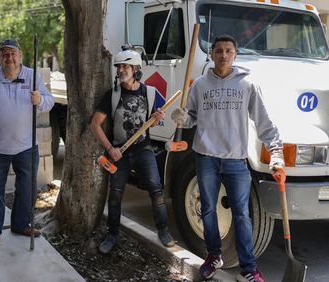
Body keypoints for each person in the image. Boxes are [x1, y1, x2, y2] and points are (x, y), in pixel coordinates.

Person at [171, 35, 284, 282]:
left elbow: (265, 122)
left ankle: (249, 269)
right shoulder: (200, 85)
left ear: (235, 55)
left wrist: (276, 152)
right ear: (211, 55)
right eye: (219, 50)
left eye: (228, 50)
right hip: (206, 157)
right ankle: (214, 256)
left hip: (235, 160)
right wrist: (181, 117)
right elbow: (191, 118)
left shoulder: (247, 85)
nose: (223, 54)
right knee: (208, 210)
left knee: (242, 215)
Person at [0, 38, 54, 248]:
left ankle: (21, 224)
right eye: (4, 53)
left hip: (26, 147)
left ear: (20, 56)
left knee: (27, 188)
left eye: (13, 53)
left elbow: (49, 101)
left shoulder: (33, 77)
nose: (9, 57)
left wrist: (40, 101)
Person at [90, 49, 175, 254]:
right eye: (119, 67)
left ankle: (163, 230)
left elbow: (157, 121)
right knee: (115, 194)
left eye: (125, 66)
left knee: (156, 189)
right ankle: (112, 234)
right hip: (120, 152)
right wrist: (110, 149)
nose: (121, 70)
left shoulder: (150, 92)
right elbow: (95, 125)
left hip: (143, 149)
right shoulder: (113, 95)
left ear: (136, 68)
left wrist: (157, 118)